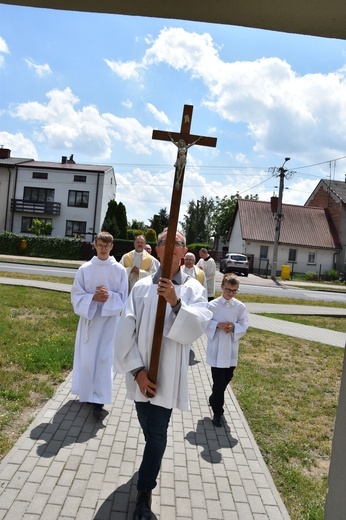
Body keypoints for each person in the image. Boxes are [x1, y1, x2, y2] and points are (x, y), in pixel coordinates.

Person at [114, 228, 212, 520]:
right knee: (148, 429)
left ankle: (144, 494)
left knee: (157, 434)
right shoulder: (142, 287)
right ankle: (149, 465)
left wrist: (175, 301)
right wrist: (137, 372)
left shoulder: (193, 289)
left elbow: (198, 327)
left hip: (167, 378)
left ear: (184, 253)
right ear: (156, 250)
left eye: (177, 243)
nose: (170, 247)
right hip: (140, 375)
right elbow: (124, 331)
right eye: (164, 242)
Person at [71, 231, 128, 417]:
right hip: (90, 321)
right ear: (94, 245)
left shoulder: (119, 270)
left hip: (109, 322)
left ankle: (100, 399)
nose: (103, 249)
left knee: (104, 360)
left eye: (107, 246)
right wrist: (93, 298)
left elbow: (123, 297)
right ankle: (88, 394)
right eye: (100, 245)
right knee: (87, 359)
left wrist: (108, 297)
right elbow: (76, 296)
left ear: (112, 247)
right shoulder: (85, 269)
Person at [206, 273, 249, 427]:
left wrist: (234, 327)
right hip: (217, 348)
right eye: (228, 290)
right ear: (222, 287)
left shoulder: (239, 307)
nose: (230, 293)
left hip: (230, 347)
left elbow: (244, 323)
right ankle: (218, 412)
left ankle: (213, 398)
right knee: (218, 383)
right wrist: (218, 325)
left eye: (234, 291)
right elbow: (204, 321)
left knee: (227, 377)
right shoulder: (212, 305)